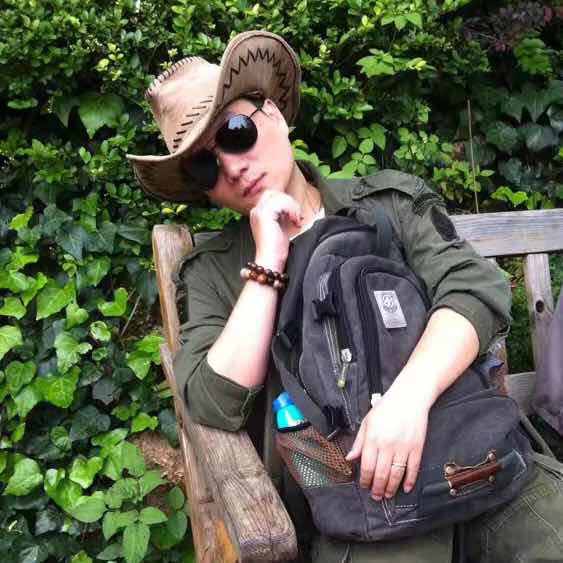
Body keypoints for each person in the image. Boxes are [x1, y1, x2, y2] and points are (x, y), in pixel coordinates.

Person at [128, 30, 563, 563]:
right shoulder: (215, 271)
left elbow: (474, 288)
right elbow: (213, 400)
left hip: (487, 465)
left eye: (236, 132)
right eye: (204, 167)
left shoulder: (386, 203)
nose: (232, 167)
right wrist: (267, 261)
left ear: (273, 114)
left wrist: (408, 400)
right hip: (365, 514)